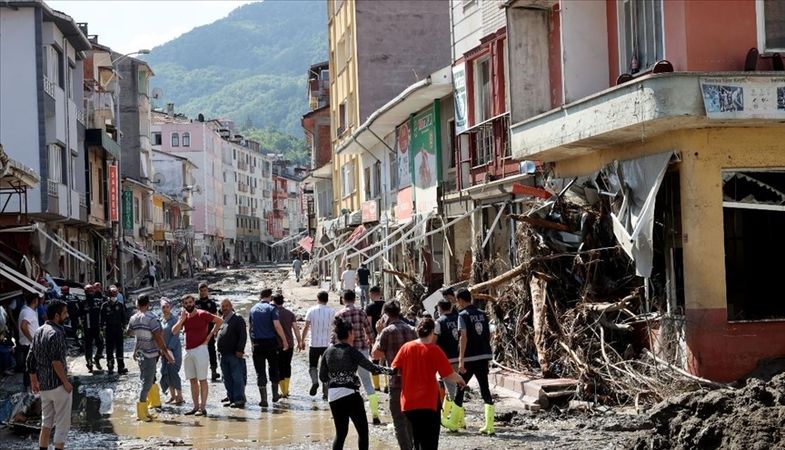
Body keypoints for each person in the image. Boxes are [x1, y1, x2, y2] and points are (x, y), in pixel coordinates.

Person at [392, 317, 467, 450]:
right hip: (428, 403)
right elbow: (448, 374)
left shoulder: (406, 347)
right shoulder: (434, 349)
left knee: (417, 441)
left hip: (409, 403)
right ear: (432, 332)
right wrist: (460, 380)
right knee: (430, 443)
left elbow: (395, 370)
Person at [320, 317, 394, 450]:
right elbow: (372, 368)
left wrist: (337, 378)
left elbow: (323, 377)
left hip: (333, 396)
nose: (354, 335)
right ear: (349, 333)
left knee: (341, 433)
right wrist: (393, 371)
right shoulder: (351, 351)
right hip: (350, 395)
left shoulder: (327, 352)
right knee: (363, 432)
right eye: (353, 332)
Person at [443, 288, 495, 434]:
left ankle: (453, 422)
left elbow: (463, 337)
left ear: (460, 300)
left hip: (469, 357)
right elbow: (488, 334)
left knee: (460, 386)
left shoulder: (462, 316)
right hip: (483, 355)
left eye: (457, 301)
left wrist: (461, 360)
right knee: (485, 389)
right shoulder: (482, 314)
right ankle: (489, 426)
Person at [26, 300, 74, 450]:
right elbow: (56, 362)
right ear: (57, 315)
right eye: (65, 313)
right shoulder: (57, 333)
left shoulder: (39, 331)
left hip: (45, 387)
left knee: (46, 424)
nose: (67, 315)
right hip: (58, 385)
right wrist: (66, 382)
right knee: (62, 425)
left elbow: (30, 359)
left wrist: (34, 380)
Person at [372, 300, 417, 450]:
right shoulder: (412, 329)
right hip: (414, 381)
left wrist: (378, 333)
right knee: (411, 419)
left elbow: (375, 354)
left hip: (396, 381)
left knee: (398, 420)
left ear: (385, 315)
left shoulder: (387, 331)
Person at [172, 294, 223, 416]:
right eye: (186, 303)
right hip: (188, 350)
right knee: (192, 380)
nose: (189, 304)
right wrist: (181, 319)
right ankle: (195, 407)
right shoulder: (184, 317)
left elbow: (219, 321)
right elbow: (174, 331)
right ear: (183, 305)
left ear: (194, 302)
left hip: (201, 349)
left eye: (190, 302)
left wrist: (209, 337)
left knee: (202, 379)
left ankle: (202, 407)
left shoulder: (202, 314)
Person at [335, 289, 380, 425]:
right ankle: (375, 414)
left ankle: (350, 416)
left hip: (345, 353)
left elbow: (335, 336)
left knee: (347, 382)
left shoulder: (339, 314)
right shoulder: (361, 312)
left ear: (343, 299)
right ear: (354, 299)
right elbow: (369, 331)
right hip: (362, 350)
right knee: (367, 382)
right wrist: (372, 344)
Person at [127, 294, 174, 421]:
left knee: (145, 379)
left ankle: (145, 410)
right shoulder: (152, 318)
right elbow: (158, 337)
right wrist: (166, 352)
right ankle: (141, 412)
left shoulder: (133, 318)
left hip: (141, 353)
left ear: (138, 303)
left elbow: (131, 333)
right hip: (150, 354)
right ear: (148, 304)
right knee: (147, 382)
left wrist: (135, 349)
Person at [249, 288, 289, 407]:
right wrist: (284, 340)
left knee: (260, 371)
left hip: (257, 343)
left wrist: (252, 343)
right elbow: (277, 326)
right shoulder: (272, 309)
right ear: (270, 297)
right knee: (273, 367)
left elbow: (250, 328)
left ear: (260, 296)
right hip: (270, 343)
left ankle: (263, 400)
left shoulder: (253, 309)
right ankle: (275, 395)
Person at [302, 290, 335, 399]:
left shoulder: (311, 310)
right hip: (327, 344)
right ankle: (325, 392)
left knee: (313, 366)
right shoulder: (332, 311)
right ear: (327, 299)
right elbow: (335, 327)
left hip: (314, 343)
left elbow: (306, 326)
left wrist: (302, 340)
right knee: (326, 368)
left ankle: (315, 382)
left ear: (317, 299)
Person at [435, 299, 461, 426]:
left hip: (446, 360)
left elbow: (433, 342)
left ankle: (457, 421)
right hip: (460, 358)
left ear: (440, 308)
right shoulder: (459, 318)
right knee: (455, 388)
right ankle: (447, 417)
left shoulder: (439, 322)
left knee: (451, 390)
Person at [217, 298, 247, 408]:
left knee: (237, 377)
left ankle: (239, 399)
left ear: (231, 306)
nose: (224, 308)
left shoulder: (237, 319)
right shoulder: (222, 320)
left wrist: (240, 350)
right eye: (222, 306)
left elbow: (243, 335)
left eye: (226, 306)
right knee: (226, 378)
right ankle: (231, 398)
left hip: (234, 354)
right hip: (223, 355)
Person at [273, 293, 301, 399]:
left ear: (274, 302)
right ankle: (287, 390)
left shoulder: (272, 313)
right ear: (283, 302)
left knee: (279, 367)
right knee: (287, 365)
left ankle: (283, 391)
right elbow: (296, 329)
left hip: (277, 344)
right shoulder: (290, 313)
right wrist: (300, 341)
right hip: (290, 344)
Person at [159, 298, 183, 405]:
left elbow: (176, 335)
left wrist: (169, 349)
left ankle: (180, 396)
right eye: (163, 307)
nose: (165, 309)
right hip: (164, 351)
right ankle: (172, 396)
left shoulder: (175, 320)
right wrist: (161, 349)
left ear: (170, 307)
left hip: (174, 350)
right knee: (166, 372)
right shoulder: (160, 320)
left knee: (174, 372)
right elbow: (159, 336)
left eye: (167, 307)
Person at [100, 286, 128, 375]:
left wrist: (125, 327)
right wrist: (101, 329)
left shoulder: (120, 305)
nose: (113, 295)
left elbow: (124, 317)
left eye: (115, 293)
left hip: (118, 329)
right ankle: (110, 367)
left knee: (120, 348)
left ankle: (121, 367)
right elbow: (102, 319)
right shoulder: (104, 305)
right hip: (109, 329)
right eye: (112, 294)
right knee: (109, 349)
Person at [196, 282, 221, 381]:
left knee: (211, 351)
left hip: (209, 331)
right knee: (199, 352)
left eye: (205, 290)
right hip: (198, 332)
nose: (203, 293)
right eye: (201, 291)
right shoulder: (195, 303)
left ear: (207, 291)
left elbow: (216, 317)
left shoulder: (212, 303)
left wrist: (215, 331)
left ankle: (213, 371)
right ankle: (200, 372)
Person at [364, 286, 386, 393]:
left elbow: (368, 323)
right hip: (387, 335)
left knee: (374, 360)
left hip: (375, 337)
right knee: (386, 361)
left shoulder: (369, 307)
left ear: (372, 294)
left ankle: (377, 386)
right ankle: (387, 385)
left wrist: (368, 337)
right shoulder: (387, 305)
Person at [17, 294, 39, 391]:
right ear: (35, 300)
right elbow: (23, 326)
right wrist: (32, 340)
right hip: (29, 344)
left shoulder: (26, 310)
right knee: (31, 367)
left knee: (29, 367)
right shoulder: (28, 312)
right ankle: (30, 389)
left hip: (28, 344)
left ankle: (29, 388)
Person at [80, 284, 104, 373]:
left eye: (91, 291)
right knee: (88, 347)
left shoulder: (97, 302)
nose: (90, 293)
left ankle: (97, 358)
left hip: (96, 327)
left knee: (100, 344)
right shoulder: (82, 302)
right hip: (88, 328)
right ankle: (90, 364)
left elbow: (102, 313)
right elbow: (79, 315)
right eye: (88, 292)